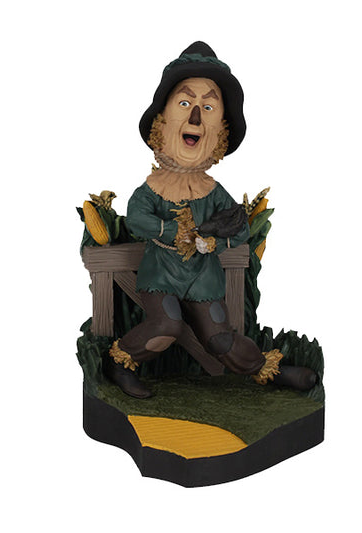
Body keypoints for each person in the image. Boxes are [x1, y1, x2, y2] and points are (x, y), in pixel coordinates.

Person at [105, 42, 317, 398]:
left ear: (220, 132)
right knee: (166, 324)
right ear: (162, 121)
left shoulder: (214, 192)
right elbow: (137, 219)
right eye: (184, 104)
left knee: (220, 337)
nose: (195, 118)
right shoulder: (152, 189)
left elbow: (240, 227)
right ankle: (120, 363)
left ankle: (266, 369)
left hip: (203, 280)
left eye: (208, 108)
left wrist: (215, 242)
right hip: (162, 276)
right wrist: (173, 230)